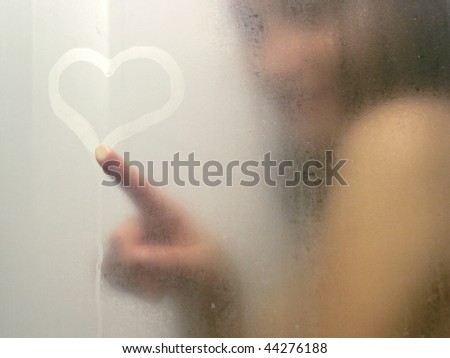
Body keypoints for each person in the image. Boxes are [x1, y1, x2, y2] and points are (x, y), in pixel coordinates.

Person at [95, 0, 450, 337]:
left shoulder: (404, 136)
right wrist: (210, 291)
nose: (274, 63)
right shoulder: (343, 178)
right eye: (254, 28)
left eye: (309, 13)